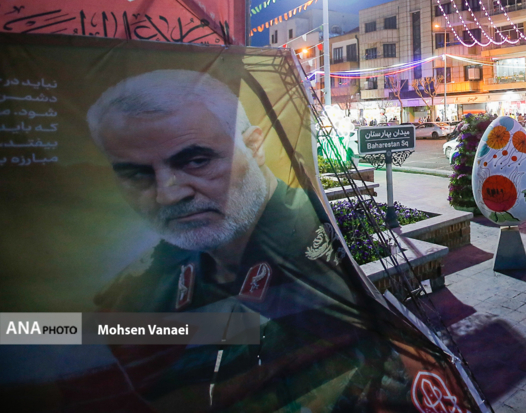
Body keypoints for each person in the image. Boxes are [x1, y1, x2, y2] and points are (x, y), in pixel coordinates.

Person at [85, 70, 418, 408]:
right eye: (137, 174)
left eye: (197, 161)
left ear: (254, 146)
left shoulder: (320, 254)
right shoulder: (148, 278)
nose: (167, 195)